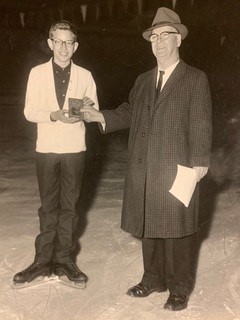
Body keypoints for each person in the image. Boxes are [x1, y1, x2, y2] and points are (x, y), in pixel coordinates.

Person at [81, 7, 212, 310]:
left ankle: (178, 288)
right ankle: (153, 278)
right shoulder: (142, 80)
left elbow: (202, 121)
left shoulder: (195, 78)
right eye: (154, 36)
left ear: (178, 40)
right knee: (149, 223)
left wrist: (200, 159)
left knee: (178, 229)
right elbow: (129, 111)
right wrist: (99, 114)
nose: (159, 41)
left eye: (166, 35)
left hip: (177, 165)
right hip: (145, 164)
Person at [13, 20, 99, 286]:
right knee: (49, 207)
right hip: (47, 149)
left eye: (69, 42)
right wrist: (53, 114)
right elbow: (29, 112)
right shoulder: (37, 73)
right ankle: (42, 261)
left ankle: (63, 260)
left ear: (76, 46)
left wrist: (86, 107)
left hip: (74, 149)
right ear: (50, 43)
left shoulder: (85, 75)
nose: (63, 47)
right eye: (58, 41)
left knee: (70, 208)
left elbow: (94, 110)